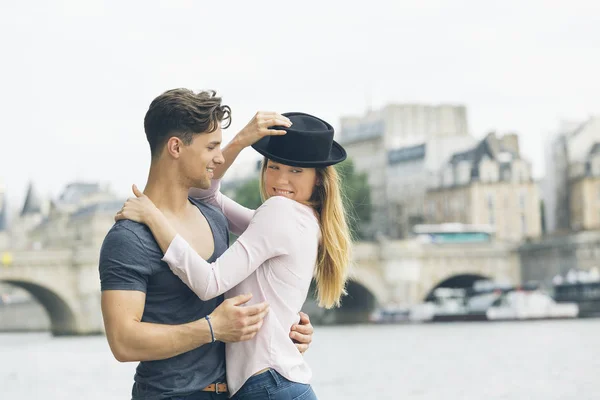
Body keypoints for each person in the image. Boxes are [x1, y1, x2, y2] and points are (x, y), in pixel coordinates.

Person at [116, 111, 353, 399]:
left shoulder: (279, 213)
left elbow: (209, 283)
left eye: (296, 171)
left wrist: (153, 217)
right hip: (279, 383)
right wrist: (239, 141)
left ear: (318, 179)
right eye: (274, 167)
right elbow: (207, 196)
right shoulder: (303, 218)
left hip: (268, 385)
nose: (280, 180)